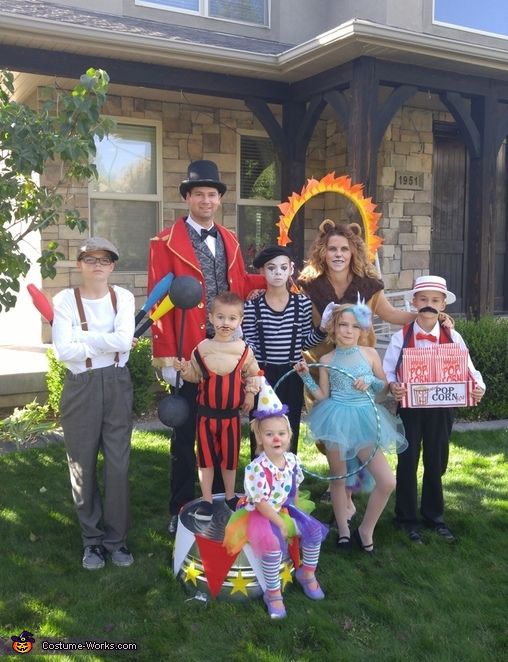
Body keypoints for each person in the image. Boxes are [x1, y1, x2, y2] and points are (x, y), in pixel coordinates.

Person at [147, 160, 265, 535]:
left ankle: (222, 502)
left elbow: (240, 286)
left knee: (225, 429)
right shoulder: (163, 243)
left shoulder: (229, 240)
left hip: (228, 353)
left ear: (218, 199)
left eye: (212, 194)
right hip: (187, 351)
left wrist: (276, 277)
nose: (206, 200)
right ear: (188, 198)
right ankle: (180, 506)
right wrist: (165, 353)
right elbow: (158, 300)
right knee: (185, 434)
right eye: (198, 194)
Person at [295, 302, 408, 554]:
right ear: (334, 328)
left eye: (354, 326)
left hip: (364, 418)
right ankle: (344, 531)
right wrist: (304, 375)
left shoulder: (369, 354)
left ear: (362, 330)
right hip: (336, 418)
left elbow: (384, 387)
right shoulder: (326, 359)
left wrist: (369, 380)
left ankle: (365, 529)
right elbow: (323, 395)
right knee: (339, 477)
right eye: (343, 325)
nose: (348, 331)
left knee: (387, 481)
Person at [52, 237, 135, 570]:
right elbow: (63, 351)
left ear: (112, 266)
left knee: (117, 464)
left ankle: (116, 541)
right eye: (90, 259)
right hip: (81, 385)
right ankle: (92, 541)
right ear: (79, 264)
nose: (97, 265)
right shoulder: (65, 299)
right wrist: (107, 342)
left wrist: (81, 337)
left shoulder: (123, 297)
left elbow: (124, 340)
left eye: (104, 260)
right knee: (82, 465)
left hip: (116, 382)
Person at [383, 275, 486, 544]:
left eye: (435, 300)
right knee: (407, 460)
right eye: (424, 299)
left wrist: (478, 387)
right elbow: (388, 369)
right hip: (411, 408)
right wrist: (394, 386)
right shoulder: (401, 337)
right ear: (414, 302)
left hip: (442, 408)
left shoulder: (453, 336)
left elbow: (469, 368)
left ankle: (434, 516)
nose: (429, 304)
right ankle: (405, 518)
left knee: (436, 459)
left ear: (443, 306)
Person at [223, 379, 328, 619]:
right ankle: (273, 592)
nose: (276, 438)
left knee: (313, 533)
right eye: (269, 434)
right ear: (259, 438)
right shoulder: (257, 468)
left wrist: (294, 509)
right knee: (270, 548)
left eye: (281, 433)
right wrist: (280, 522)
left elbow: (294, 485)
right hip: (262, 514)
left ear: (289, 435)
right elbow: (260, 502)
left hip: (284, 507)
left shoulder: (291, 460)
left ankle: (307, 573)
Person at [174, 292, 261, 521]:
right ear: (211, 318)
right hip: (205, 417)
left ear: (240, 321)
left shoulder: (244, 350)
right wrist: (184, 369)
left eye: (232, 318)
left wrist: (251, 394)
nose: (225, 323)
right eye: (220, 317)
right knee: (205, 460)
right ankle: (206, 500)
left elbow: (254, 374)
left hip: (231, 418)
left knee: (230, 460)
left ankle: (231, 496)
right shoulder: (202, 348)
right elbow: (194, 375)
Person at [242, 245, 326, 457]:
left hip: (292, 374)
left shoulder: (302, 304)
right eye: (271, 268)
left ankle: (288, 479)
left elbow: (305, 342)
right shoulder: (252, 305)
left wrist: (323, 329)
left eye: (282, 267)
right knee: (261, 426)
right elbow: (248, 343)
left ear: (291, 269)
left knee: (288, 427)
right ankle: (260, 478)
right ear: (262, 272)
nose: (277, 273)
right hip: (261, 375)